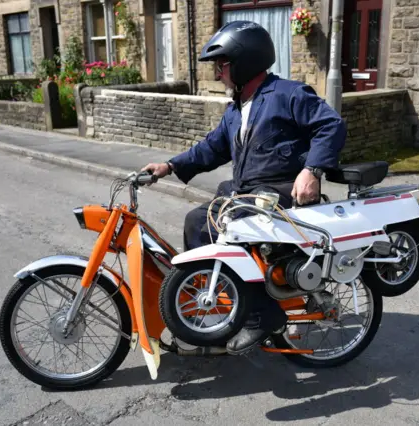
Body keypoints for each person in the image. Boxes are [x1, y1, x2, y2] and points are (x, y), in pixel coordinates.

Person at [142, 20, 346, 355]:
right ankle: (224, 307)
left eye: (221, 66)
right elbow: (211, 148)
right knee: (199, 222)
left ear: (243, 62)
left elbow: (331, 126)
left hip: (280, 196)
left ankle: (260, 316)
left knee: (224, 226)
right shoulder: (236, 110)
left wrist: (311, 169)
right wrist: (170, 166)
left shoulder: (289, 95)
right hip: (249, 195)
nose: (217, 74)